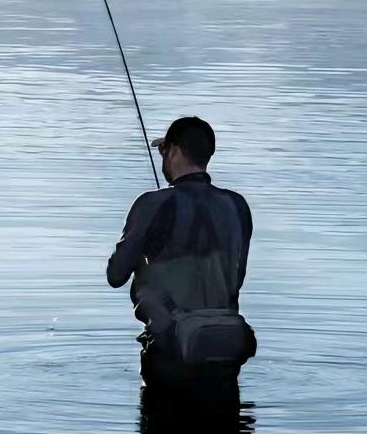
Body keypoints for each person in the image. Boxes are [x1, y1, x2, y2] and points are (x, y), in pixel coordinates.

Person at [106, 116, 255, 394]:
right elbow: (236, 278)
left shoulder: (151, 204)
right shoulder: (238, 205)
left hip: (170, 357)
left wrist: (143, 245)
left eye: (163, 151)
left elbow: (115, 275)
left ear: (173, 151)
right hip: (225, 352)